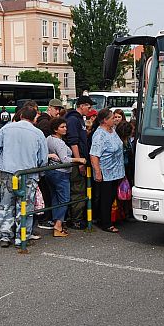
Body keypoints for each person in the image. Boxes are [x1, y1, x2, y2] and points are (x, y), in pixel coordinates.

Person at [0, 106, 48, 248]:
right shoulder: (37, 133)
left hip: (8, 173)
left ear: (20, 116)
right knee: (25, 206)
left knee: (5, 205)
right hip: (28, 175)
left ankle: (4, 236)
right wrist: (40, 172)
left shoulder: (6, 129)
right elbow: (43, 159)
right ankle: (22, 238)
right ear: (34, 119)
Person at [45, 117, 86, 237]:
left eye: (65, 126)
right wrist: (79, 159)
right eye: (62, 127)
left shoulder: (48, 139)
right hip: (61, 172)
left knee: (55, 198)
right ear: (55, 129)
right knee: (64, 199)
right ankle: (58, 225)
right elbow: (64, 159)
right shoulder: (60, 143)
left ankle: (56, 222)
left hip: (50, 171)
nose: (65, 129)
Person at [89, 109, 125, 233]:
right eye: (112, 118)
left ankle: (110, 218)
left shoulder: (112, 130)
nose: (114, 120)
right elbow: (94, 155)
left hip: (116, 171)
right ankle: (106, 223)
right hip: (106, 172)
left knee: (111, 197)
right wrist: (98, 172)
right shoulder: (99, 135)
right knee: (106, 198)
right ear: (105, 120)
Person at [64, 95, 95, 230]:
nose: (90, 108)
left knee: (80, 190)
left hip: (81, 158)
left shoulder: (78, 119)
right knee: (78, 190)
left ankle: (77, 217)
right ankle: (75, 219)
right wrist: (79, 162)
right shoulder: (73, 120)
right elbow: (73, 142)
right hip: (78, 161)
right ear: (81, 105)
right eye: (88, 106)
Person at [35, 98, 65, 230]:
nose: (58, 112)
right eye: (56, 109)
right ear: (50, 108)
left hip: (45, 161)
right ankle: (44, 218)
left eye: (59, 109)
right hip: (45, 162)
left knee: (47, 192)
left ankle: (45, 217)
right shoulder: (46, 123)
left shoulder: (45, 121)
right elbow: (42, 144)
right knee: (46, 192)